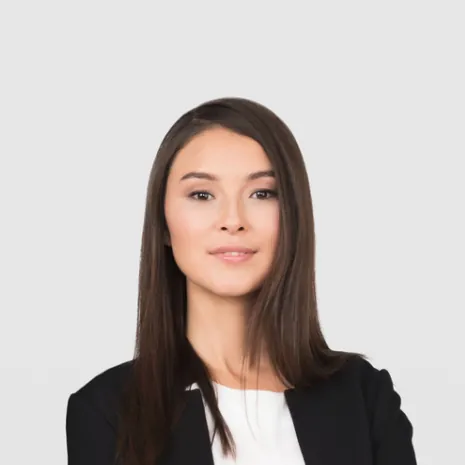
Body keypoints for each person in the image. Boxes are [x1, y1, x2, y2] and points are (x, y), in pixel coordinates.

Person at [65, 97, 417, 465]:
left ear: (293, 217)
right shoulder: (108, 411)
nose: (233, 220)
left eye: (261, 193)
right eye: (202, 195)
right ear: (163, 222)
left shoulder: (364, 396)